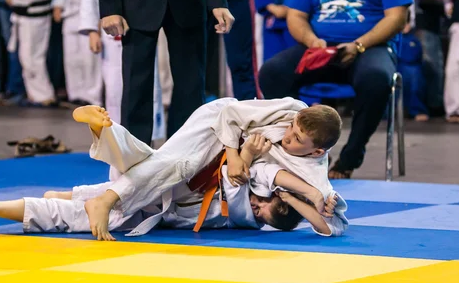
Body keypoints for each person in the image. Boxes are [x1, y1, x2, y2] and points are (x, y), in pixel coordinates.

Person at [0, 106, 343, 239]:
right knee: (158, 164)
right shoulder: (273, 151)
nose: (257, 207)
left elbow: (323, 223)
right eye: (264, 204)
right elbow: (272, 179)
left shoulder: (248, 217)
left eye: (261, 212)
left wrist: (301, 197)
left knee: (132, 165)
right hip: (192, 157)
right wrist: (241, 154)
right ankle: (102, 139)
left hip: (163, 201)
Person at [82, 97, 345, 240]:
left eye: (298, 139)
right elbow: (230, 114)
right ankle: (106, 200)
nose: (288, 135)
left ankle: (105, 135)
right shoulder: (291, 109)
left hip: (230, 155)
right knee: (178, 165)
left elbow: (329, 226)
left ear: (317, 152)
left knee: (154, 163)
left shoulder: (314, 171)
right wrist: (236, 156)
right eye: (291, 128)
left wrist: (314, 195)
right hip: (217, 123)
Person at [258, 0, 413, 179]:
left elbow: (397, 17)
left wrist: (359, 45)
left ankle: (351, 156)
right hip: (319, 45)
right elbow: (295, 15)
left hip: (370, 46)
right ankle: (306, 150)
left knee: (376, 78)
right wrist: (312, 41)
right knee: (273, 72)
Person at [96, 0, 236, 144]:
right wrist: (109, 7)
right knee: (136, 84)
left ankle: (187, 153)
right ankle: (133, 157)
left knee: (191, 85)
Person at [78, 0, 165, 140]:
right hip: (110, 33)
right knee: (114, 88)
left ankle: (149, 138)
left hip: (139, 25)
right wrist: (92, 31)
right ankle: (115, 137)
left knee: (148, 85)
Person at [4, 0, 56, 106]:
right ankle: (34, 94)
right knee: (26, 57)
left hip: (36, 15)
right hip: (23, 15)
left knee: (33, 57)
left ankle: (44, 95)